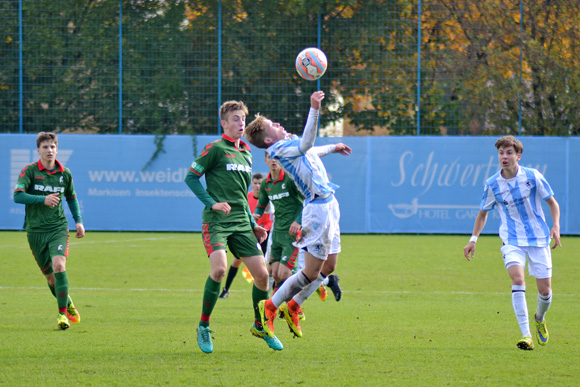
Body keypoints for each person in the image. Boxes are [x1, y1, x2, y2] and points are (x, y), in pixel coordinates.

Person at [244, 90, 351, 339]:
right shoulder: (280, 149)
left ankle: (293, 306)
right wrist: (314, 108)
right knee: (311, 272)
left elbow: (310, 151)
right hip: (316, 210)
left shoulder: (288, 142)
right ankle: (270, 307)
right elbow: (307, 144)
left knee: (330, 265)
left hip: (330, 203)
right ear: (269, 139)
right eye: (273, 125)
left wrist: (334, 147)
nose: (279, 125)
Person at [184, 100, 283, 353]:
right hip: (216, 221)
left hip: (242, 222)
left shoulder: (247, 151)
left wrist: (253, 224)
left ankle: (260, 325)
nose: (241, 123)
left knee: (262, 275)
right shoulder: (215, 149)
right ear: (224, 123)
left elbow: (241, 194)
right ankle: (204, 326)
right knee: (219, 270)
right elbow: (191, 177)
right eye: (236, 119)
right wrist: (212, 203)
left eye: (243, 119)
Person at [463, 135, 561, 351]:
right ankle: (526, 335)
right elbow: (482, 214)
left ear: (518, 156)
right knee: (518, 279)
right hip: (512, 239)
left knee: (545, 292)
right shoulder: (492, 184)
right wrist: (473, 240)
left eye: (508, 153)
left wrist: (556, 226)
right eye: (501, 153)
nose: (504, 157)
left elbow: (552, 203)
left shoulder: (533, 176)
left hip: (538, 239)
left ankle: (539, 317)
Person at [13, 132, 85, 330]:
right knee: (51, 279)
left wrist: (78, 221)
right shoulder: (29, 171)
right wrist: (42, 199)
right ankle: (68, 303)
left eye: (52, 147)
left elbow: (71, 197)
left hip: (57, 227)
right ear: (38, 151)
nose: (49, 150)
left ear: (57, 149)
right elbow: (17, 197)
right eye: (45, 147)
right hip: (35, 230)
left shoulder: (65, 173)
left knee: (59, 265)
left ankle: (61, 315)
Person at [219, 173, 273, 299]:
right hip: (249, 232)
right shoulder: (247, 197)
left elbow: (271, 213)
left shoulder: (267, 197)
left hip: (264, 234)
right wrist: (250, 218)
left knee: (266, 267)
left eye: (260, 183)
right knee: (236, 261)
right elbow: (242, 211)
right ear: (252, 184)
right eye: (255, 183)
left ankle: (268, 294)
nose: (258, 186)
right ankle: (226, 289)